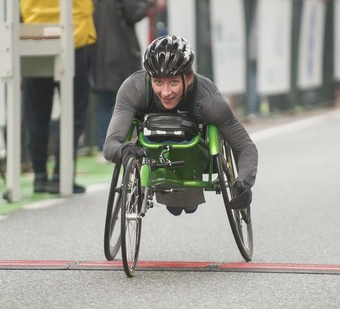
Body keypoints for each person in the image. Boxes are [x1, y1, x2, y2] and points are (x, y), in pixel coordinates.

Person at [103, 35, 258, 215]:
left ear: (189, 77)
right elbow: (110, 145)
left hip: (195, 160)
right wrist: (124, 151)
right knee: (175, 209)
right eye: (158, 82)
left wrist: (244, 182)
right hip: (153, 155)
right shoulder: (134, 89)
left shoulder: (208, 100)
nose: (166, 92)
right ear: (149, 77)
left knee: (187, 207)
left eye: (174, 82)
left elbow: (244, 146)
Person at [20, 0, 97, 194]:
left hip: (35, 34)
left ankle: (39, 175)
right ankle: (61, 175)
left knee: (36, 112)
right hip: (74, 37)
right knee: (74, 113)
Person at [91, 0, 153, 155]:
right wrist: (147, 3)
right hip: (122, 54)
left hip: (99, 53)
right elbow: (134, 13)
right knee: (130, 100)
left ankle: (103, 146)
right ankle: (128, 143)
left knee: (104, 102)